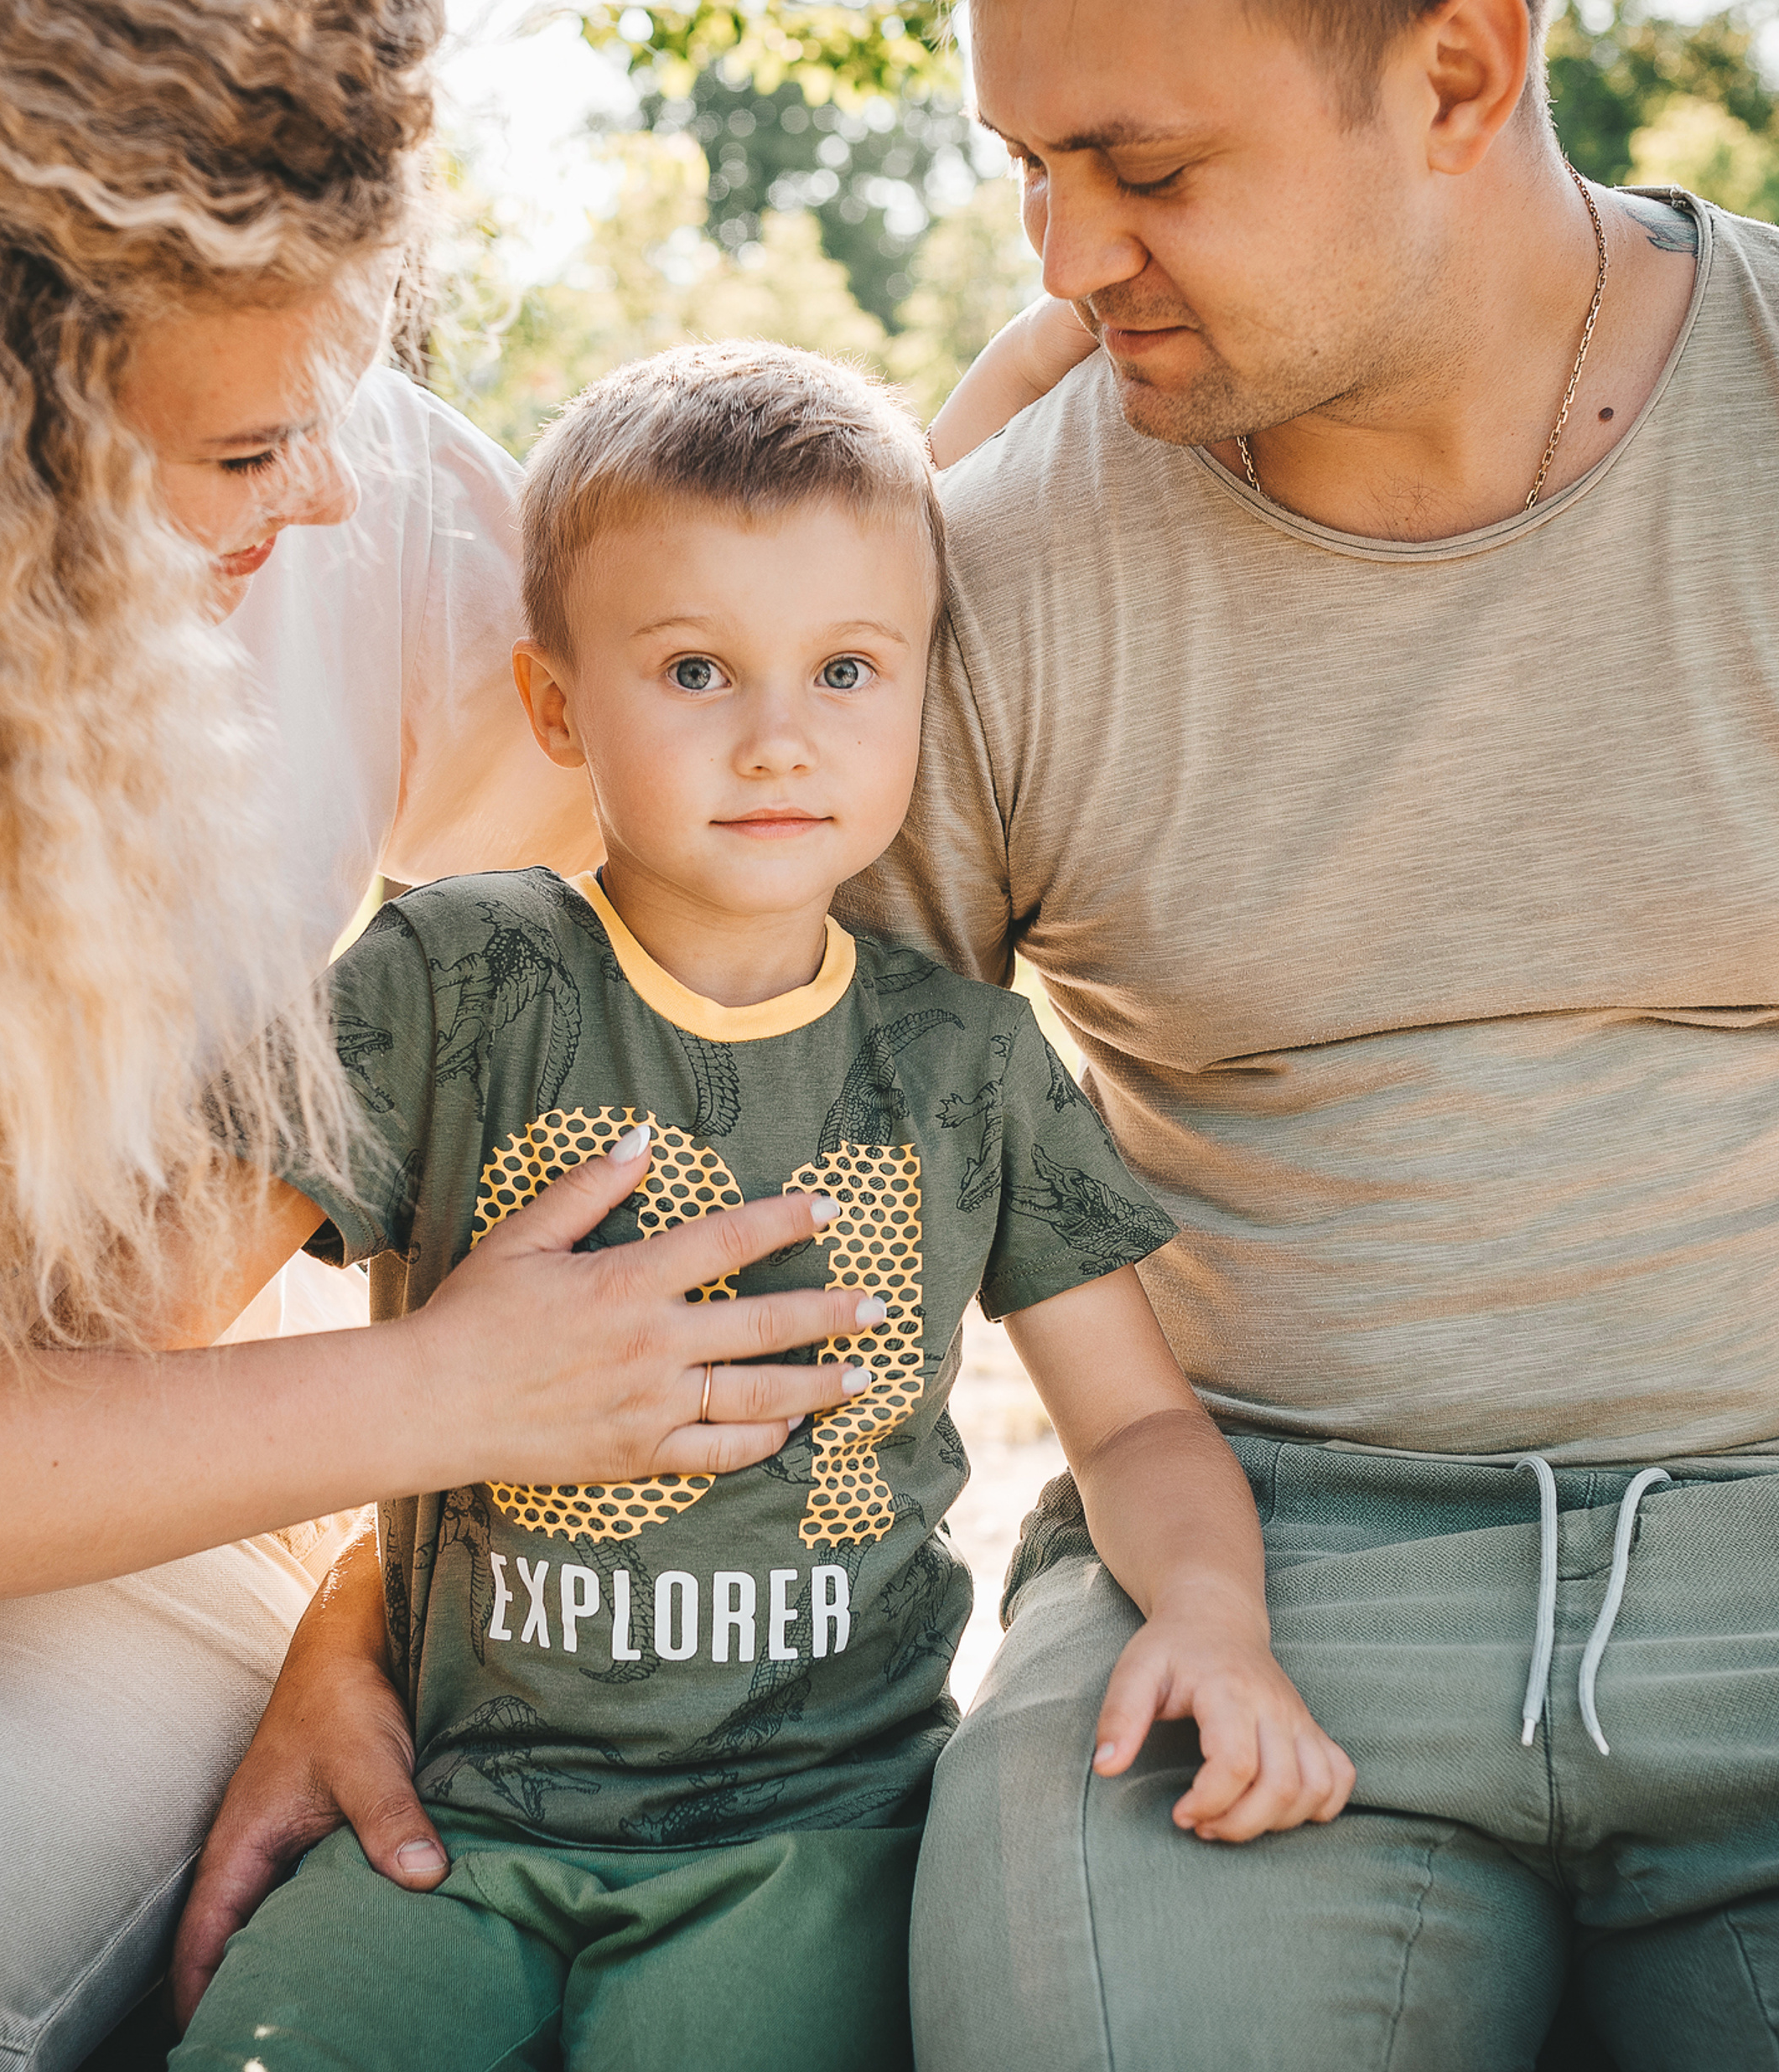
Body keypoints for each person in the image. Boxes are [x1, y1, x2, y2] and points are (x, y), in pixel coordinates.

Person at [0, 0, 864, 2066]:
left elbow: (677, 893)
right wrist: (456, 1401)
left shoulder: (357, 491)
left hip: (157, 1478)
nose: (316, 488)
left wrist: (378, 1596)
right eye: (232, 458)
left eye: (332, 411)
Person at [158, 341, 1342, 2071]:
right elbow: (148, 1318)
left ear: (921, 688)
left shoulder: (960, 1059)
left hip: (804, 1833)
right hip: (451, 1816)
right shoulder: (452, 977)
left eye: (846, 667)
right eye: (695, 666)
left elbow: (1138, 1419)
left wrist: (1209, 1617)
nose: (778, 736)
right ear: (557, 705)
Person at [837, 0, 1779, 2065]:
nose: (1067, 255)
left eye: (1141, 168)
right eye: (1023, 167)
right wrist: (387, 1610)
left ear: (1455, 73)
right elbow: (763, 1154)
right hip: (1243, 1576)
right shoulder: (979, 580)